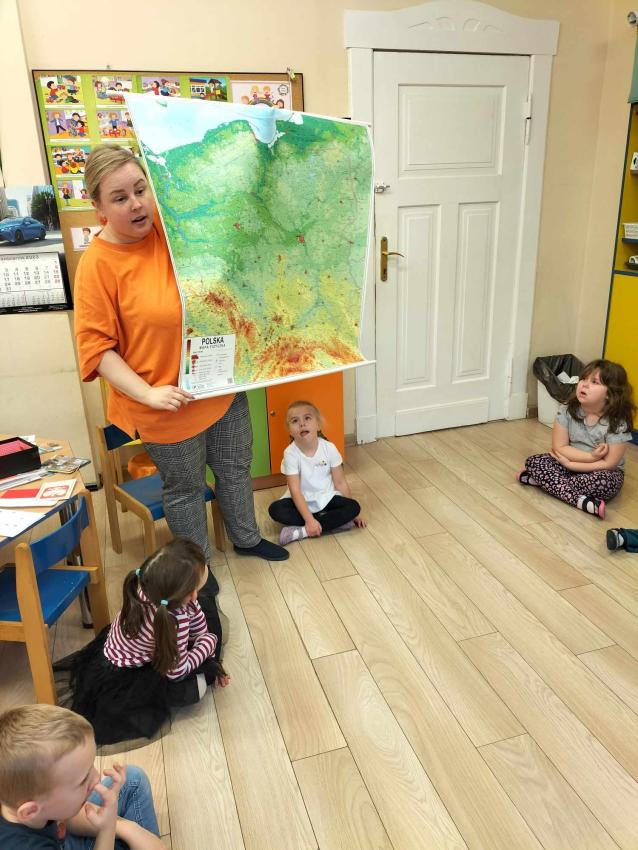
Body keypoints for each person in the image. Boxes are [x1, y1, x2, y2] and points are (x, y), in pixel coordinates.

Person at [74, 145, 287, 606]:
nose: (136, 204)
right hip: (165, 403)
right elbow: (98, 350)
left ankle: (246, 538)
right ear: (98, 206)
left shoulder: (174, 231)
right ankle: (198, 569)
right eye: (120, 198)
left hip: (219, 385)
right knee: (187, 490)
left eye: (141, 190)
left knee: (235, 468)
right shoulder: (98, 264)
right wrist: (147, 393)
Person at [56, 539, 229, 746]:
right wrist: (209, 643)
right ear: (191, 594)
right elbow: (176, 671)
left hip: (130, 651)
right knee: (197, 688)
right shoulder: (175, 620)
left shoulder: (148, 587)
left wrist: (209, 658)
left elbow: (197, 619)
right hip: (126, 678)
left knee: (205, 622)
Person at [0, 703, 163, 849]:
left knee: (133, 779)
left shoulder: (27, 798)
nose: (97, 778)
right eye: (83, 780)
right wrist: (107, 828)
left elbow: (67, 817)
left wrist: (127, 828)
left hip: (61, 832)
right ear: (30, 811)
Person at [518, 359, 635, 519]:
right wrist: (588, 457)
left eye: (594, 382)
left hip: (600, 471)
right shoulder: (567, 410)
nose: (584, 384)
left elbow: (608, 464)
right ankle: (580, 500)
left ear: (610, 394)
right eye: (583, 379)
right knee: (534, 462)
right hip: (568, 462)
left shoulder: (617, 423)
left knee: (604, 483)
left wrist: (572, 465)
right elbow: (559, 447)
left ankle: (544, 482)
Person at [268, 400, 366, 545]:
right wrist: (309, 520)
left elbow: (340, 483)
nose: (302, 424)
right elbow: (295, 491)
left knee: (354, 507)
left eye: (307, 418)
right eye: (295, 421)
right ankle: (330, 523)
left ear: (318, 425)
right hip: (300, 501)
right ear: (290, 430)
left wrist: (353, 515)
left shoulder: (329, 448)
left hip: (326, 498)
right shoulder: (290, 453)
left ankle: (302, 531)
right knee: (276, 510)